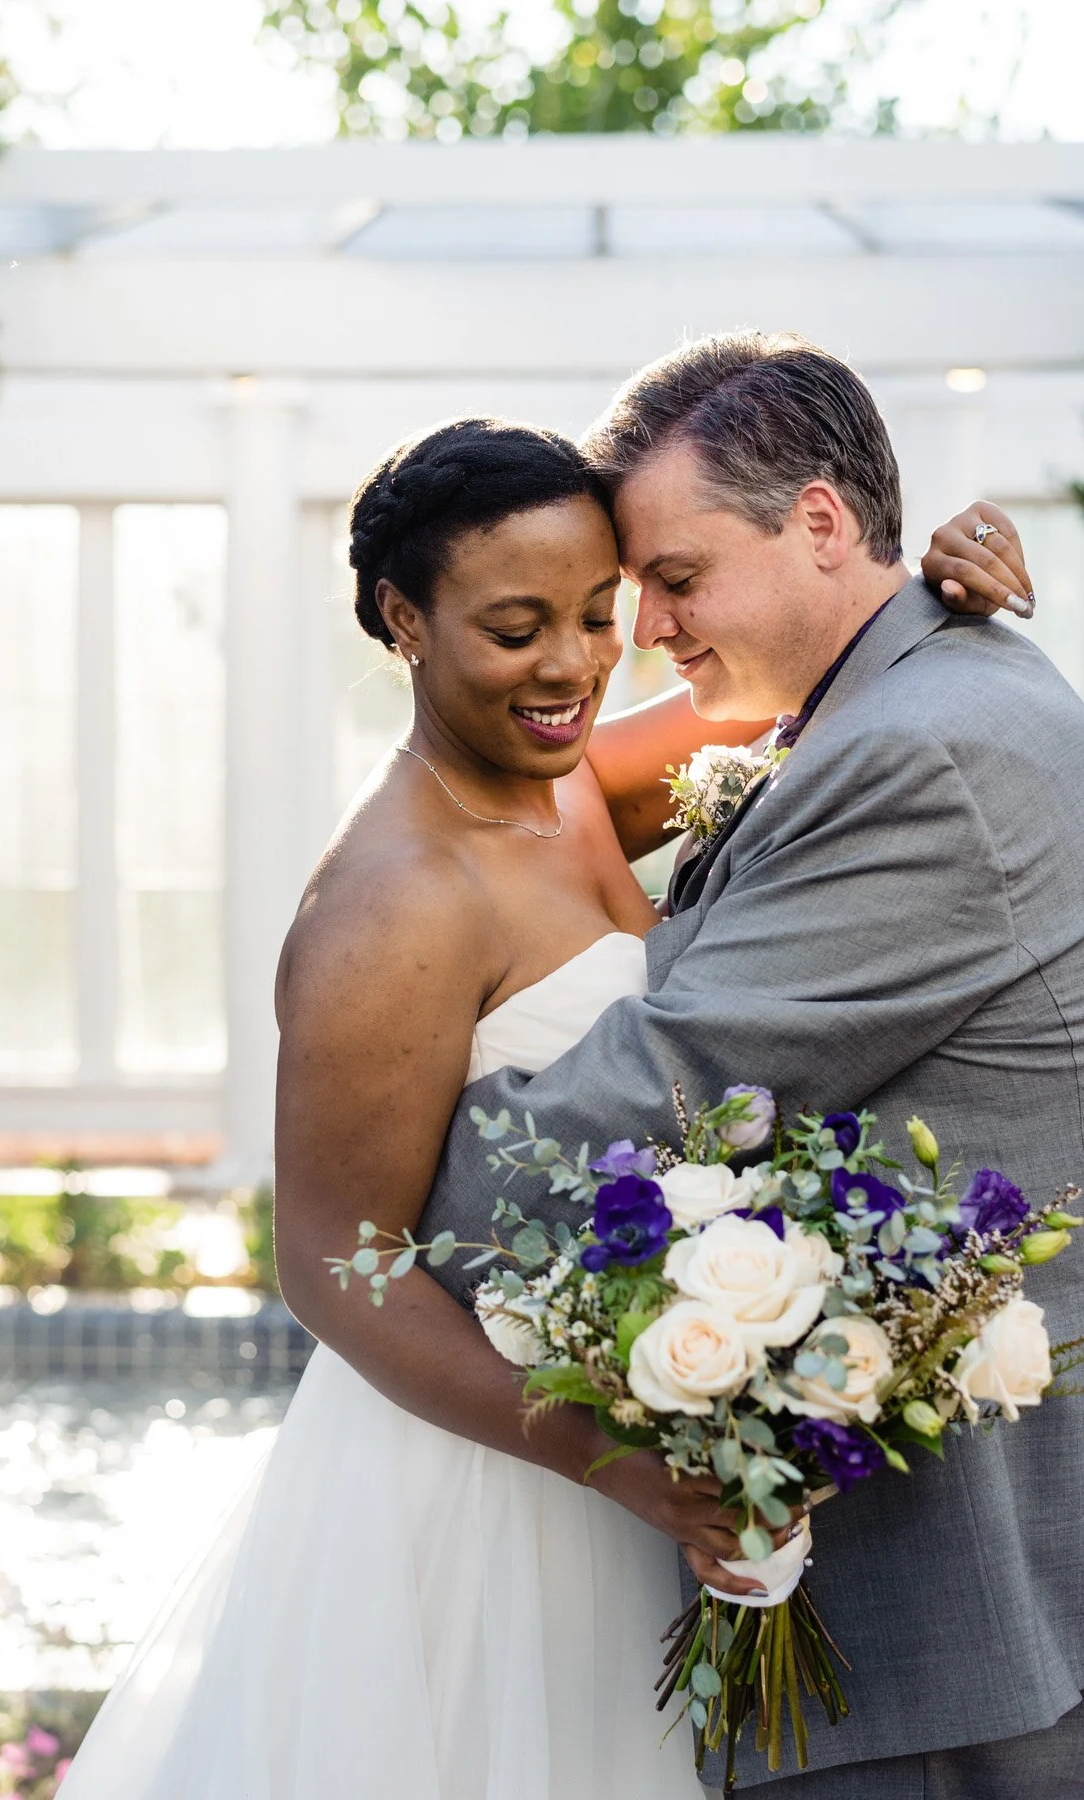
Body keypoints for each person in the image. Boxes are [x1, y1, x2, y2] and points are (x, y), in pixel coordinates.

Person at [56, 409, 1027, 1800]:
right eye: (518, 628)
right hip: (480, 1481)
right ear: (405, 617)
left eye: (596, 612)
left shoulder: (565, 781)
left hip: (632, 1432)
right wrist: (611, 1462)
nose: (572, 666)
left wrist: (935, 578)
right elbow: (335, 1263)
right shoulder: (390, 904)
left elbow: (799, 677)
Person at [421, 337, 1084, 1799]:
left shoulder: (928, 751)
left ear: (824, 523)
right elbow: (504, 774)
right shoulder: (875, 698)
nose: (642, 633)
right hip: (853, 1567)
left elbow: (685, 1075)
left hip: (938, 1628)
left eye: (674, 579)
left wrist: (395, 1193)